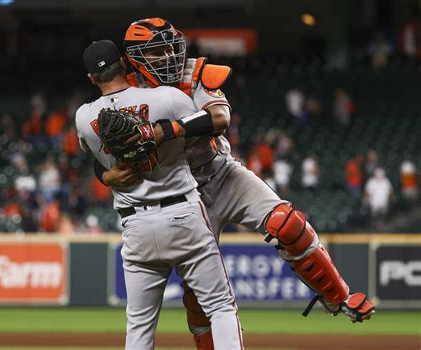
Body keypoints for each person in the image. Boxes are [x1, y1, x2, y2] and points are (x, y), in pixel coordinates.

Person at [95, 18, 375, 349]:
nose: (169, 55)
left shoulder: (193, 72)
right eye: (157, 51)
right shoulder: (125, 93)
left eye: (171, 47)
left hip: (221, 172)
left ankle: (338, 295)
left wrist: (162, 130)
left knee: (287, 223)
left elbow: (220, 117)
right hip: (180, 194)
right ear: (134, 58)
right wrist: (105, 175)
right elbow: (101, 150)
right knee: (200, 299)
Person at [76, 40, 243, 350]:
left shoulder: (84, 117)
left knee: (138, 327)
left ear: (91, 78)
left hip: (135, 225)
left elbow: (96, 159)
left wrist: (106, 175)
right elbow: (211, 122)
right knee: (219, 306)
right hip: (182, 213)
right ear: (125, 64)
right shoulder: (167, 97)